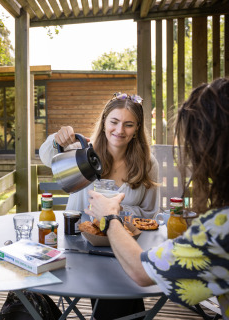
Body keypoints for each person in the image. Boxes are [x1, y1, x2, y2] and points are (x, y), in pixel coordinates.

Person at [87, 78, 229, 318]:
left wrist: (110, 217)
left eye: (193, 140)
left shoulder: (221, 229)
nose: (191, 154)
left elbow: (144, 272)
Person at [39, 92, 160, 319]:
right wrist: (57, 140)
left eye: (128, 124)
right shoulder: (83, 151)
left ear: (137, 129)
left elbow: (151, 215)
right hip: (80, 247)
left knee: (120, 296)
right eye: (114, 122)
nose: (119, 130)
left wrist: (117, 211)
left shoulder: (147, 163)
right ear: (104, 121)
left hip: (124, 248)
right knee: (118, 300)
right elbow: (47, 157)